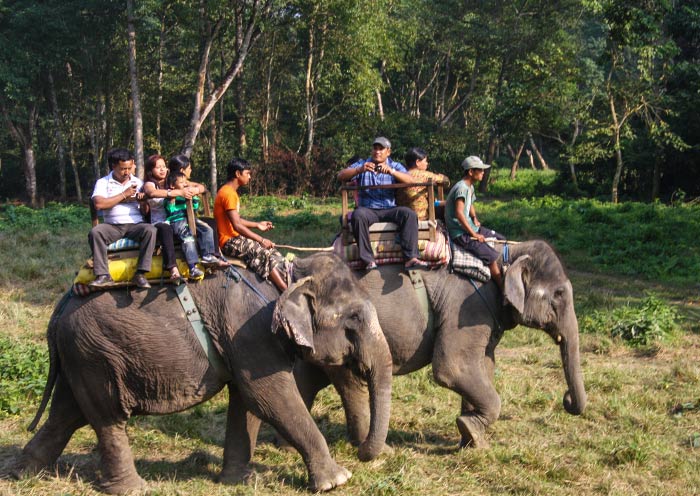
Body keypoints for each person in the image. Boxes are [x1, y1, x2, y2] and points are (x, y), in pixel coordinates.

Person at [337, 136, 426, 270]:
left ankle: (411, 258)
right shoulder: (363, 164)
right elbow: (341, 175)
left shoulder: (394, 165)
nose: (377, 152)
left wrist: (392, 172)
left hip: (390, 208)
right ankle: (368, 260)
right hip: (368, 209)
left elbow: (410, 180)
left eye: (381, 149)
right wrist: (359, 170)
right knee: (358, 215)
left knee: (409, 214)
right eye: (375, 148)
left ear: (388, 152)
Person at [214, 158, 288, 291]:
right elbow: (237, 225)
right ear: (238, 174)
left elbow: (235, 220)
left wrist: (257, 225)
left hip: (234, 238)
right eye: (247, 173)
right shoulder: (228, 194)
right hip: (228, 241)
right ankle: (285, 290)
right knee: (261, 252)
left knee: (271, 251)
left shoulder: (230, 192)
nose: (250, 177)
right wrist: (261, 239)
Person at [88, 148, 157, 289]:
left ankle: (140, 273)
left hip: (135, 225)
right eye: (123, 169)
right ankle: (103, 275)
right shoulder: (103, 183)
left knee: (150, 230)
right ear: (113, 166)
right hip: (112, 226)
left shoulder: (138, 182)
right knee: (96, 232)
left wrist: (143, 202)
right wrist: (124, 195)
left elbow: (145, 212)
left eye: (129, 168)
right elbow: (99, 204)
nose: (127, 172)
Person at [445, 156, 506, 289]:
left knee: (500, 238)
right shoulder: (461, 188)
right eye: (480, 170)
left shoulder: (469, 187)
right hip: (461, 233)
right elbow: (459, 213)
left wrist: (474, 218)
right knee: (491, 257)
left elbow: (470, 204)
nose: (483, 173)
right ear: (471, 172)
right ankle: (502, 289)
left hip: (470, 227)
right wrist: (474, 234)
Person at [165, 172, 229, 280]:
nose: (185, 184)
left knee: (207, 229)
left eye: (186, 182)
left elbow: (194, 207)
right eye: (181, 183)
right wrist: (174, 198)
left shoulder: (187, 193)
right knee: (188, 239)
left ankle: (207, 255)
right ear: (172, 185)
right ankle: (192, 267)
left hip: (191, 218)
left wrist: (194, 197)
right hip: (178, 221)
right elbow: (170, 210)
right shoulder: (171, 195)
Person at [143, 154, 182, 282]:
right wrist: (173, 193)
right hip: (158, 222)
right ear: (150, 171)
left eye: (164, 166)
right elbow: (152, 193)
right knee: (165, 229)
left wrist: (196, 188)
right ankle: (172, 268)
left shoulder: (171, 180)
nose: (162, 169)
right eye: (158, 167)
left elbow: (192, 185)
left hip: (175, 219)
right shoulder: (150, 184)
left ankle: (210, 256)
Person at [396, 147, 449, 220]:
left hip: (401, 217)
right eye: (425, 161)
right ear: (417, 162)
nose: (427, 164)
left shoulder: (400, 175)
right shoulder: (424, 175)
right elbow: (446, 181)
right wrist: (441, 176)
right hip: (421, 217)